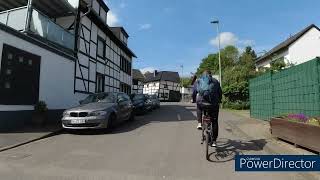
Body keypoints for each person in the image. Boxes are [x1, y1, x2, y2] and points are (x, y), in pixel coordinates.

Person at [194, 70, 222, 147]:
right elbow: (220, 92)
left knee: (198, 107)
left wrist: (194, 100)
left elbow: (194, 91)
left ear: (203, 75)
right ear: (211, 75)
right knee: (215, 121)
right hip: (214, 105)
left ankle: (199, 123)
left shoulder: (199, 80)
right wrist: (220, 100)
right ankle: (214, 141)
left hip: (202, 103)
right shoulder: (216, 81)